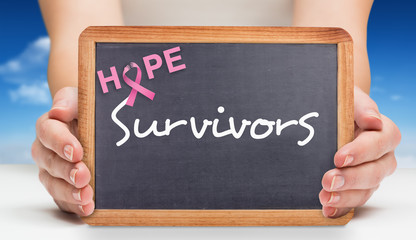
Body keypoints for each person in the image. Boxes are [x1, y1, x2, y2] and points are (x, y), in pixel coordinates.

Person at [33, 0, 401, 218]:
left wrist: (349, 127)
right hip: (132, 166)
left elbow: (330, 50)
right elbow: (85, 51)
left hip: (292, 173)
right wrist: (76, 125)